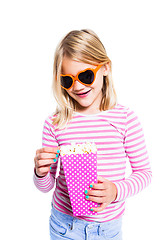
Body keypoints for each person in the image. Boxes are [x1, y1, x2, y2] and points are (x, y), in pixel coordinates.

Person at [33, 29, 152, 240]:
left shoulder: (125, 119)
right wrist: (40, 173)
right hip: (64, 226)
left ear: (105, 68)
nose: (77, 86)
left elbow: (144, 173)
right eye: (67, 81)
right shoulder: (55, 123)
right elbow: (46, 186)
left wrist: (116, 191)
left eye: (86, 76)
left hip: (108, 230)